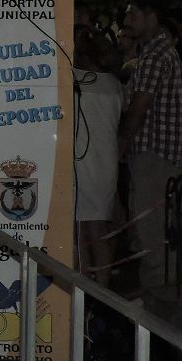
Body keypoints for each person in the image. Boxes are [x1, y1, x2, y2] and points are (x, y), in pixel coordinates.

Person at [119, 0, 182, 305]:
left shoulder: (155, 56)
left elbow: (139, 108)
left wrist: (120, 145)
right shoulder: (157, 52)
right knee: (155, 230)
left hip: (154, 156)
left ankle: (160, 304)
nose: (126, 22)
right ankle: (158, 294)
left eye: (132, 15)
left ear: (151, 17)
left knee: (151, 232)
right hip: (159, 156)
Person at [73, 26, 123, 288]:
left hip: (84, 165)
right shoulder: (114, 85)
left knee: (84, 230)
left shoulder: (77, 81)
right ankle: (99, 286)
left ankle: (87, 287)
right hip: (106, 164)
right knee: (96, 229)